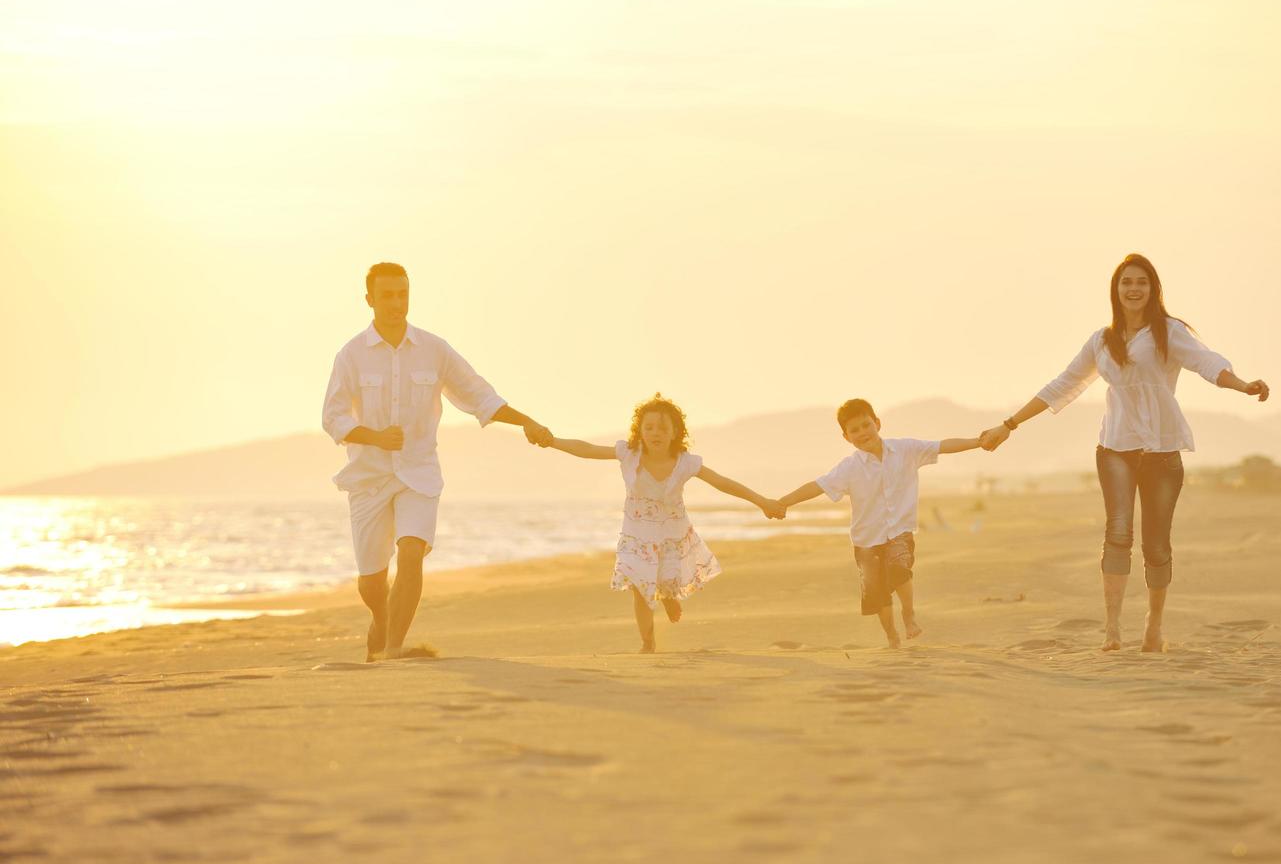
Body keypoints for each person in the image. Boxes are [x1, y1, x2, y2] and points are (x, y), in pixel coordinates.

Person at [979, 253, 1270, 653]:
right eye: (1126, 283)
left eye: (1141, 283)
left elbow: (1208, 363)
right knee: (1117, 533)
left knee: (1156, 543)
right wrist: (1009, 424)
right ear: (1115, 291)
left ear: (1153, 290)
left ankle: (1154, 625)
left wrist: (1242, 385)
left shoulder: (1169, 332)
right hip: (1116, 446)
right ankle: (1112, 627)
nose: (1133, 289)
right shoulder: (1103, 339)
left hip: (1162, 450)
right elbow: (1063, 384)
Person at [321, 261, 552, 661]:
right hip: (369, 477)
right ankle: (382, 617)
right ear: (369, 299)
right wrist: (374, 437)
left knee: (412, 552)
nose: (397, 302)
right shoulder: (351, 355)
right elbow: (333, 417)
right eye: (388, 295)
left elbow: (478, 394)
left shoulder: (434, 349)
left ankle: (393, 648)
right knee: (372, 583)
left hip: (419, 473)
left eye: (403, 293)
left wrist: (526, 421)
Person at [539, 393, 784, 653]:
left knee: (666, 579)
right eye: (649, 427)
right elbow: (587, 450)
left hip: (671, 534)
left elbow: (722, 483)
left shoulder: (685, 463)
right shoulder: (629, 454)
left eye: (663, 428)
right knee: (638, 585)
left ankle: (668, 595)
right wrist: (552, 441)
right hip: (636, 534)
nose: (655, 433)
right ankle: (648, 642)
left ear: (675, 432)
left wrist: (761, 501)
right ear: (640, 431)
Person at [778, 399, 984, 648]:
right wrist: (783, 502)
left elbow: (941, 446)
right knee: (878, 597)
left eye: (866, 425)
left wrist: (978, 442)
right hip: (866, 540)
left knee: (900, 570)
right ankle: (891, 635)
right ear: (846, 437)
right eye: (854, 430)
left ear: (877, 423)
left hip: (899, 531)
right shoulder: (848, 468)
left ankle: (908, 614)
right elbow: (817, 486)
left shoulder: (906, 449)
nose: (862, 432)